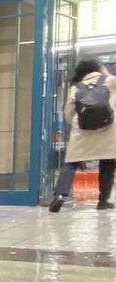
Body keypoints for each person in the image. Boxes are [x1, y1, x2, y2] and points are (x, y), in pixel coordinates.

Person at [49, 59, 116, 212]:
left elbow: (68, 114)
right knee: (108, 164)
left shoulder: (76, 88)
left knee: (71, 163)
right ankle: (102, 201)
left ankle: (59, 195)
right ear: (98, 68)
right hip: (107, 130)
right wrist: (105, 73)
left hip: (82, 131)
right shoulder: (110, 81)